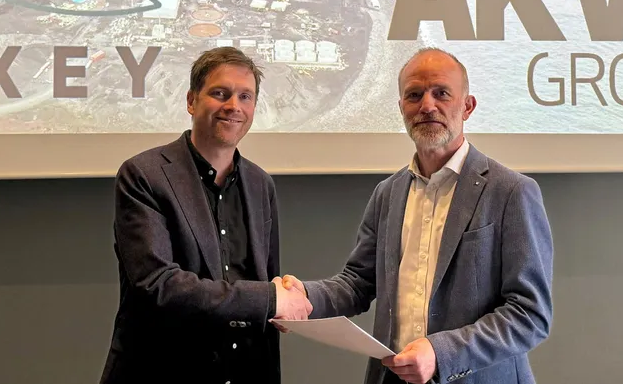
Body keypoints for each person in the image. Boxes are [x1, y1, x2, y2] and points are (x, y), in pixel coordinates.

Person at [280, 48, 554, 384]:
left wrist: (441, 353)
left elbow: (530, 314)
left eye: (441, 93)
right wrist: (304, 296)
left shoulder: (512, 192)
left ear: (467, 106)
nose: (427, 106)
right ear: (401, 108)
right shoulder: (388, 193)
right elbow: (358, 283)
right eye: (414, 95)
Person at [99, 46, 312, 384]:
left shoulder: (261, 185)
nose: (234, 106)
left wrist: (279, 294)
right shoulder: (144, 175)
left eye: (246, 96)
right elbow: (159, 286)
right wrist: (270, 299)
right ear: (191, 101)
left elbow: (264, 279)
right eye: (220, 93)